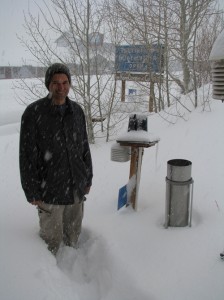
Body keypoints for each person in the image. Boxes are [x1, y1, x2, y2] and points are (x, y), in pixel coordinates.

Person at [19, 63, 93, 255]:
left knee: (73, 237)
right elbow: (27, 155)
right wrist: (31, 190)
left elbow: (84, 147)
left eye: (65, 82)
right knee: (51, 243)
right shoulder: (34, 113)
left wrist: (88, 178)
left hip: (76, 189)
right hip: (49, 191)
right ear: (48, 85)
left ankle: (74, 268)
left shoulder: (76, 111)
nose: (61, 87)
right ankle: (52, 279)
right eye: (56, 83)